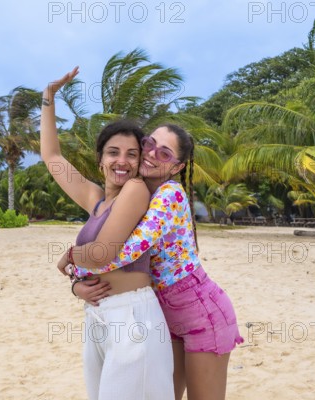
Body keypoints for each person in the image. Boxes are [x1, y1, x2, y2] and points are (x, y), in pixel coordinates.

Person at [63, 123, 244, 400]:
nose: (151, 154)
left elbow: (128, 251)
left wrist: (74, 263)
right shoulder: (136, 192)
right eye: (149, 144)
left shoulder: (169, 194)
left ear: (176, 167)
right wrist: (77, 284)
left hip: (202, 314)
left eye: (164, 153)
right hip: (163, 314)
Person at [40, 67, 174, 400]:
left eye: (132, 155)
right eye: (113, 152)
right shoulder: (95, 199)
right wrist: (48, 97)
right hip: (98, 316)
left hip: (133, 318)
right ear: (100, 159)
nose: (122, 162)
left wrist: (69, 256)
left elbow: (104, 253)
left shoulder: (136, 190)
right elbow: (51, 156)